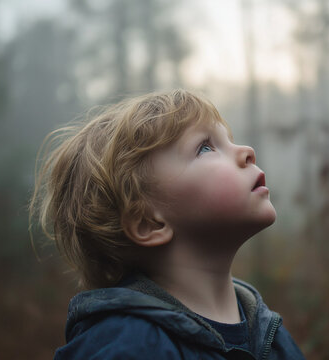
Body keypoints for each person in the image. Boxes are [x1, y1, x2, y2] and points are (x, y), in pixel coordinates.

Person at [30, 89, 305, 359]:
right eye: (205, 148)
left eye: (229, 140)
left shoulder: (271, 333)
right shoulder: (128, 346)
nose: (247, 152)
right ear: (149, 223)